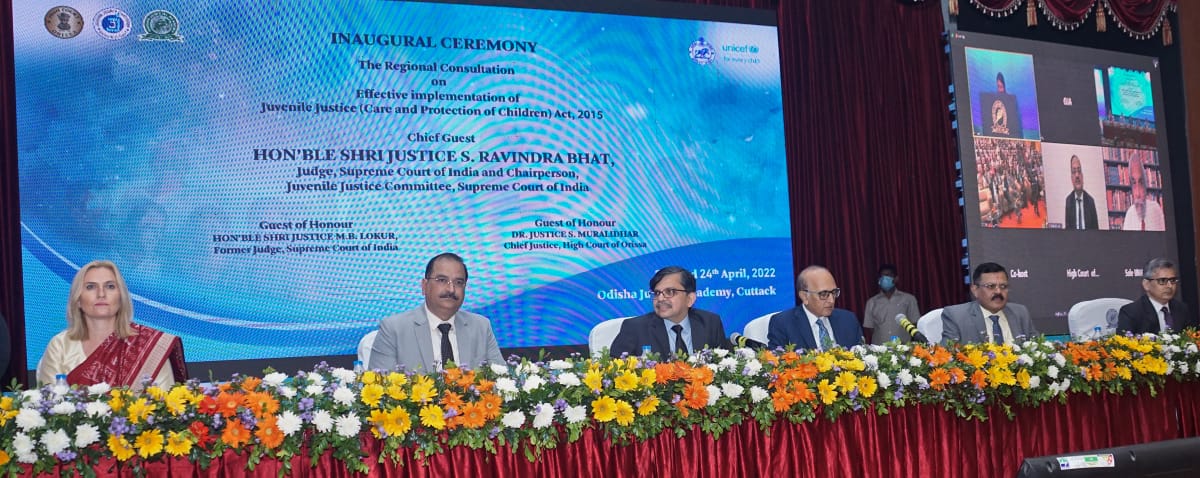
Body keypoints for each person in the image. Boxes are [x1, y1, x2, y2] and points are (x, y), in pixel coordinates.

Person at [36, 260, 186, 390]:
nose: (101, 294)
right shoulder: (60, 346)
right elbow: (48, 405)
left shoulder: (149, 347)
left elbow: (164, 407)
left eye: (110, 286)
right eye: (90, 287)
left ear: (121, 297)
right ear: (78, 300)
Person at [369, 253, 504, 372]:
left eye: (458, 282)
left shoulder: (481, 326)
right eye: (442, 280)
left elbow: (502, 379)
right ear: (424, 286)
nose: (451, 289)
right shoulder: (394, 329)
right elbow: (381, 387)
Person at [609, 266, 731, 357]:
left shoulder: (710, 323)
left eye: (670, 292)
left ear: (690, 299)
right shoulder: (635, 328)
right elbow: (616, 373)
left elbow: (723, 367)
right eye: (657, 293)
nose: (660, 299)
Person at [767, 266, 863, 351]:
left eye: (834, 292)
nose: (831, 300)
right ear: (804, 296)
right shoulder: (783, 323)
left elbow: (862, 356)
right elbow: (777, 360)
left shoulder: (848, 320)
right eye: (823, 294)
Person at [941, 262, 1038, 345]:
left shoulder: (1020, 312)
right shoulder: (956, 316)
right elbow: (947, 354)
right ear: (975, 290)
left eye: (1003, 286)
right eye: (991, 286)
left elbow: (1038, 347)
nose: (998, 291)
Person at [1117, 258, 1196, 334]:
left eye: (1172, 280)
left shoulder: (1181, 309)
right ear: (1146, 284)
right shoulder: (1131, 312)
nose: (1170, 286)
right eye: (1162, 281)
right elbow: (1124, 342)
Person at [862, 264, 921, 344]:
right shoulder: (871, 302)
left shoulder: (909, 299)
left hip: (904, 347)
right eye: (882, 276)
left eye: (888, 275)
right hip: (879, 348)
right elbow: (870, 328)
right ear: (879, 280)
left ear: (896, 279)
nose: (884, 279)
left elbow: (914, 323)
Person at [1122, 158, 1165, 231]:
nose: (1138, 194)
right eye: (1134, 183)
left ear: (1145, 185)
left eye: (1141, 183)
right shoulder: (1129, 215)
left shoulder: (1156, 209)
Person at [1064, 155, 1099, 230]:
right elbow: (1068, 231)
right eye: (1074, 172)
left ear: (1082, 176)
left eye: (1079, 171)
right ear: (1071, 178)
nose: (1077, 175)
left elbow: (1096, 231)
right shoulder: (1068, 201)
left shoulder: (1090, 201)